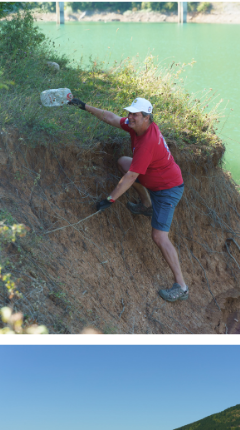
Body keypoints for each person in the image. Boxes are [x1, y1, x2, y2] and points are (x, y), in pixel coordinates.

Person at [69, 96, 188, 302]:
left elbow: (132, 177)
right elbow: (111, 118)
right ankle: (146, 205)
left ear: (147, 117)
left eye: (135, 114)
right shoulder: (137, 126)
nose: (130, 117)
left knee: (159, 237)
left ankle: (181, 286)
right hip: (154, 179)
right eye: (130, 113)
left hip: (168, 189)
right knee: (124, 162)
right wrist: (84, 105)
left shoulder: (148, 142)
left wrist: (111, 198)